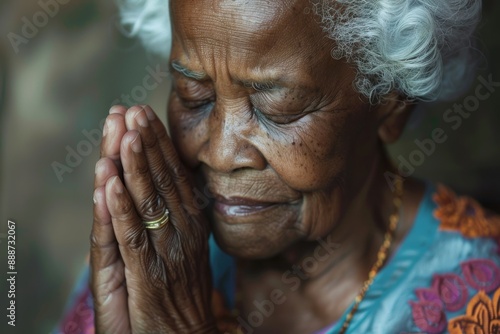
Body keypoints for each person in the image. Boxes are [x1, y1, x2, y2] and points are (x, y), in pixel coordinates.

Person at [57, 0, 500, 333]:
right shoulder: (157, 253)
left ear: (389, 101)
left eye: (278, 105)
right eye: (194, 94)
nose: (221, 154)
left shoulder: (478, 299)